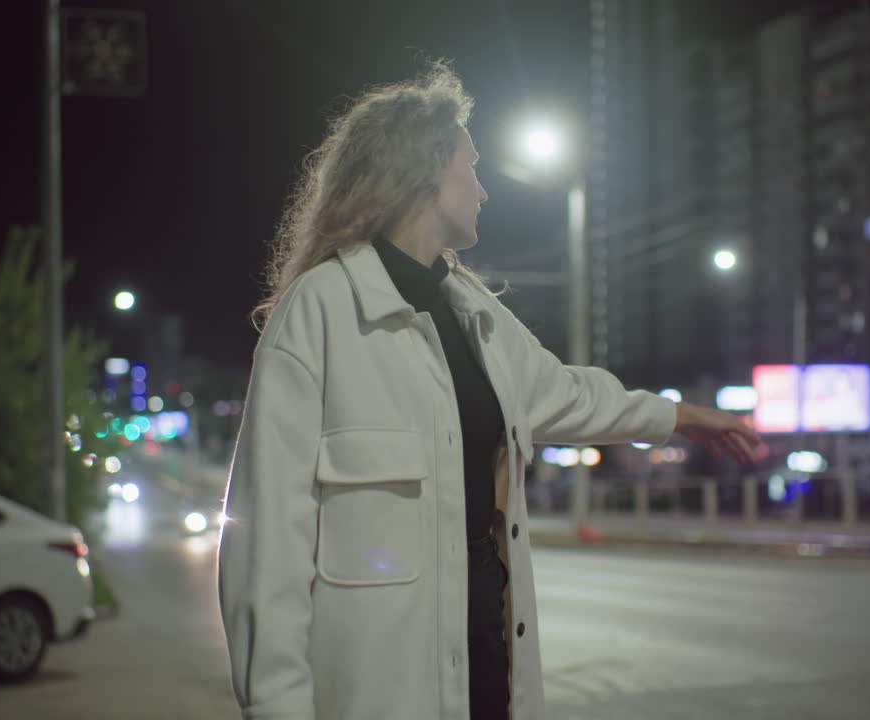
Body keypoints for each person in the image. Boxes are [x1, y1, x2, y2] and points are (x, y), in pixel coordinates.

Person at [217, 61, 764, 720]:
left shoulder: (474, 314)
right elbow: (265, 550)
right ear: (420, 169)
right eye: (469, 167)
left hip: (487, 679)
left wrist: (679, 417)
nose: (483, 191)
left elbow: (569, 393)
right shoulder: (321, 312)